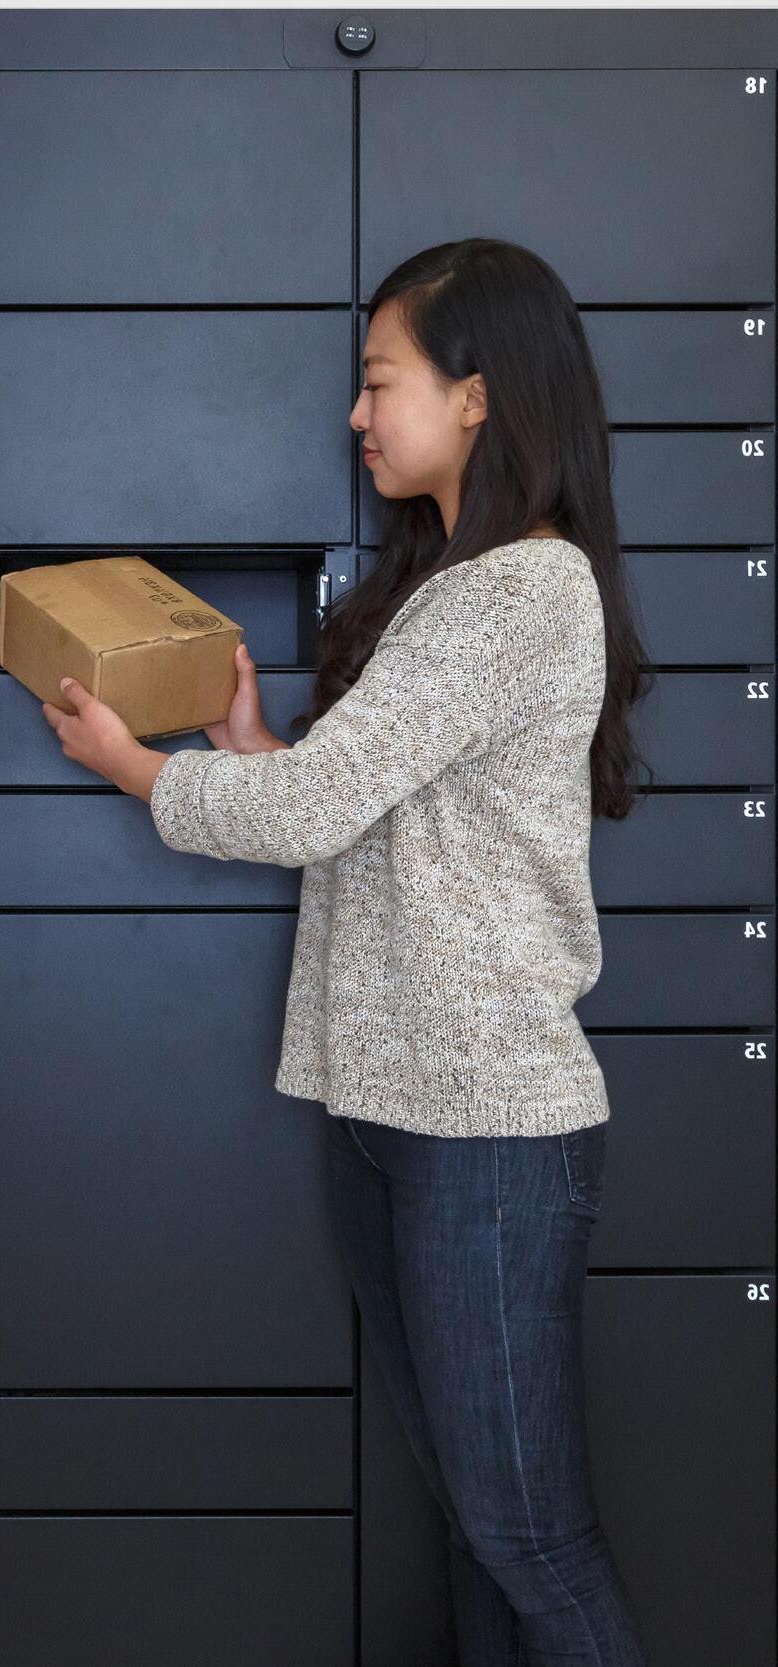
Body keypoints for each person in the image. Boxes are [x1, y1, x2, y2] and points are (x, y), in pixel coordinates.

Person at [42, 237, 653, 1664]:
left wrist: (138, 768)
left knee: (528, 1536)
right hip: (395, 1115)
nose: (357, 415)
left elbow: (319, 810)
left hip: (487, 1131)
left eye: (381, 382)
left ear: (479, 395)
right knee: (474, 1526)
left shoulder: (521, 589)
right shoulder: (460, 582)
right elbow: (369, 815)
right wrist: (256, 747)